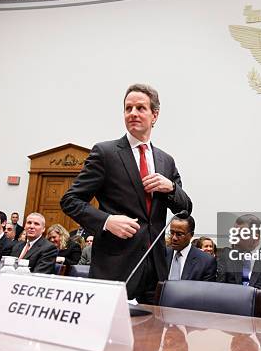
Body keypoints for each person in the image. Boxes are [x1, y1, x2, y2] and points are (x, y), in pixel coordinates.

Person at [61, 83, 192, 302]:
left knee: (150, 333)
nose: (133, 113)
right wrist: (107, 221)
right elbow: (70, 200)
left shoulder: (165, 160)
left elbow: (185, 210)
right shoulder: (105, 153)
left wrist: (171, 188)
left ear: (155, 115)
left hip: (156, 267)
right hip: (115, 267)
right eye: (128, 108)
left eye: (140, 108)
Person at [166, 216, 216, 282]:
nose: (174, 238)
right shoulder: (161, 254)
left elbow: (206, 290)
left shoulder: (206, 261)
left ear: (191, 235)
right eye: (172, 233)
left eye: (179, 234)